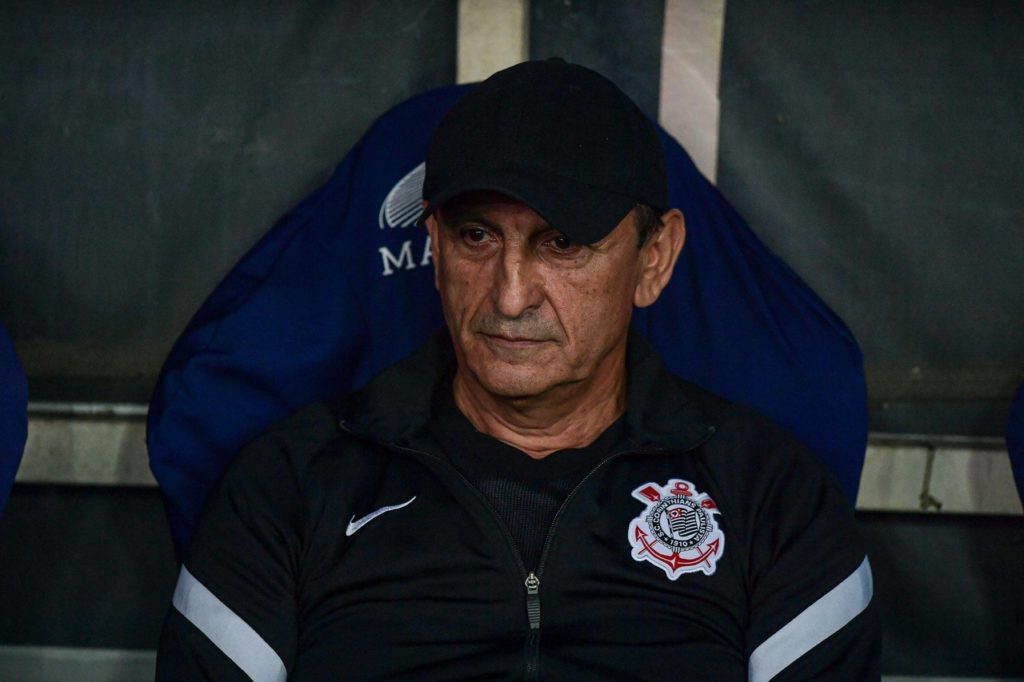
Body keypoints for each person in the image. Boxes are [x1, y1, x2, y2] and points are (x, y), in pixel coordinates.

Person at [157, 59, 879, 681]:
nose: (509, 295)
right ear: (433, 247)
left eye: (562, 244)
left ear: (653, 259)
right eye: (477, 236)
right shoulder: (288, 488)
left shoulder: (773, 498)